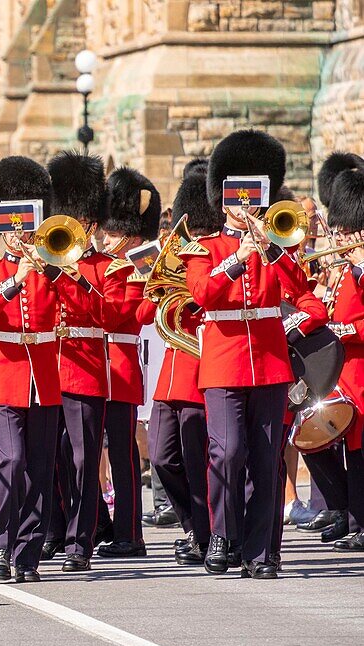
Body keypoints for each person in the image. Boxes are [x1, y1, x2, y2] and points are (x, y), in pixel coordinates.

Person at [180, 129, 326, 579]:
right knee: (228, 452)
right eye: (237, 201)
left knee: (266, 457)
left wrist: (271, 248)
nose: (244, 209)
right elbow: (203, 293)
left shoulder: (274, 250)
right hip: (223, 363)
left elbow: (303, 296)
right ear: (223, 202)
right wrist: (238, 258)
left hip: (269, 363)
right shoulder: (206, 249)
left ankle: (262, 551)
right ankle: (223, 535)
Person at [0, 157, 68, 582]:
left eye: (23, 225)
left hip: (43, 379)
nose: (17, 235)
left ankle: (27, 554)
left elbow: (89, 311)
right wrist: (14, 281)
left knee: (39, 469)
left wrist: (58, 272)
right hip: (4, 377)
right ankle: (0, 543)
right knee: (10, 459)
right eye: (9, 227)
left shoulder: (54, 271)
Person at [48, 151, 131, 572]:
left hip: (84, 370)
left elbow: (111, 315)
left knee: (82, 457)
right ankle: (61, 528)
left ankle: (80, 542)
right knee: (54, 456)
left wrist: (78, 277)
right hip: (46, 369)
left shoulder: (109, 268)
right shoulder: (43, 263)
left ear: (92, 226)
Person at [141, 160, 221, 565]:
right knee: (161, 455)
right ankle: (193, 526)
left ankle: (207, 534)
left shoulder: (213, 256)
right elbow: (143, 312)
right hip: (170, 373)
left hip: (198, 369)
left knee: (196, 458)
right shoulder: (184, 256)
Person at [96, 167, 162, 558]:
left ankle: (129, 533)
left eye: (116, 233)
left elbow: (134, 314)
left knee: (122, 453)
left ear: (134, 235)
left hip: (119, 365)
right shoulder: (101, 265)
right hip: (88, 364)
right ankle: (98, 523)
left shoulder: (140, 267)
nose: (108, 238)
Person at [319, 157, 364, 552]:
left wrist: (349, 330)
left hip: (362, 375)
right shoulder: (345, 272)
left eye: (346, 232)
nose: (339, 239)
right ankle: (351, 516)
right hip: (345, 376)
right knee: (346, 453)